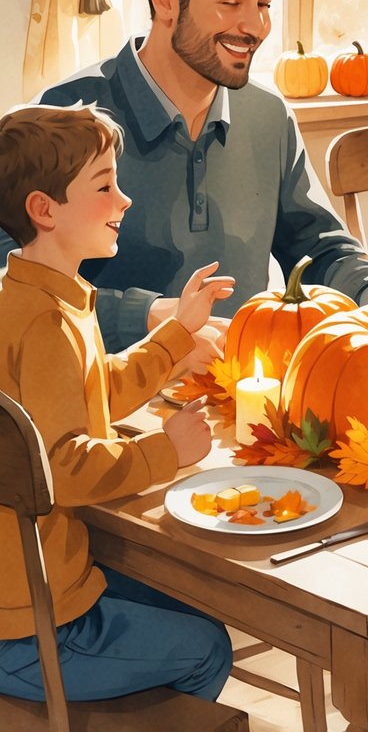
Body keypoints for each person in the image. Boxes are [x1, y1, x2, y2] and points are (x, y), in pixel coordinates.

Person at [0, 0, 368, 353]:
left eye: (264, 3)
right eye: (231, 2)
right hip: (103, 405)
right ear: (167, 0)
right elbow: (9, 284)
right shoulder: (65, 114)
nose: (256, 26)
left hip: (239, 393)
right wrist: (151, 316)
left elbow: (321, 247)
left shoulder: (268, 116)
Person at [0, 103, 237, 703]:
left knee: (184, 599)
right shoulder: (46, 325)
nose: (124, 200)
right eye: (105, 186)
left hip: (25, 601)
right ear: (44, 209)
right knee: (208, 644)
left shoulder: (28, 298)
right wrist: (168, 451)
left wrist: (176, 335)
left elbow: (89, 389)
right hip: (35, 627)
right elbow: (63, 469)